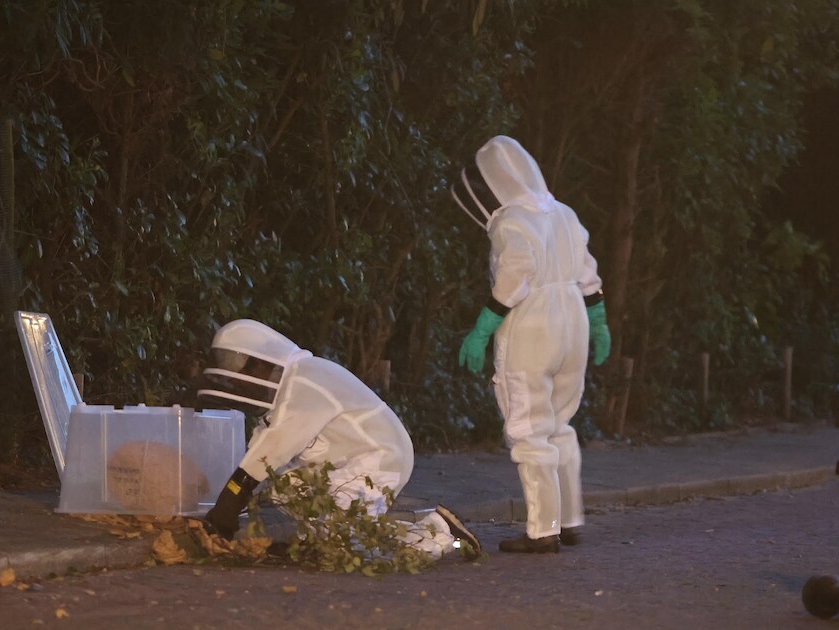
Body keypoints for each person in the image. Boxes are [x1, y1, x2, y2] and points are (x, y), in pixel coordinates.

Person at [198, 318, 481, 561]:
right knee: (279, 484)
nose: (235, 381)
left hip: (379, 458)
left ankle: (441, 532)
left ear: (258, 364)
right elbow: (262, 458)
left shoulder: (306, 380)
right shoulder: (287, 387)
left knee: (348, 546)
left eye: (237, 370)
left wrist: (229, 504)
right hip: (343, 463)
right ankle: (320, 537)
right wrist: (225, 507)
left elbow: (270, 449)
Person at [451, 135, 610, 553]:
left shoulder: (511, 221)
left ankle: (543, 530)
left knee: (529, 429)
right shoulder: (565, 213)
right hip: (573, 319)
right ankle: (570, 519)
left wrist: (482, 328)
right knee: (560, 423)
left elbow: (514, 277)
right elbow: (589, 273)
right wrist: (598, 322)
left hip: (532, 324)